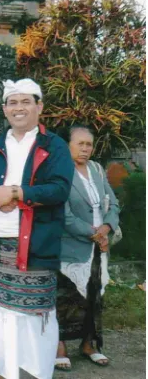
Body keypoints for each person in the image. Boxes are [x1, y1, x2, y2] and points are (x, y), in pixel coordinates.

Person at [0, 79, 74, 379]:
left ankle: (33, 373)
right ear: (4, 109)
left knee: (32, 317)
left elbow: (59, 189)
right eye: (12, 103)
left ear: (39, 106)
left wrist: (15, 193)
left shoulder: (54, 146)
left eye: (26, 101)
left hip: (35, 245)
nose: (19, 108)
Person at [54, 125, 120, 370]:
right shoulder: (60, 172)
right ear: (67, 145)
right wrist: (94, 233)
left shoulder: (97, 169)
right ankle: (59, 346)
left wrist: (106, 228)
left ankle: (89, 344)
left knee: (94, 295)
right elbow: (64, 216)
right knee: (66, 298)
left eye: (89, 144)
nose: (85, 149)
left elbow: (113, 203)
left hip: (99, 242)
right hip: (71, 244)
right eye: (80, 144)